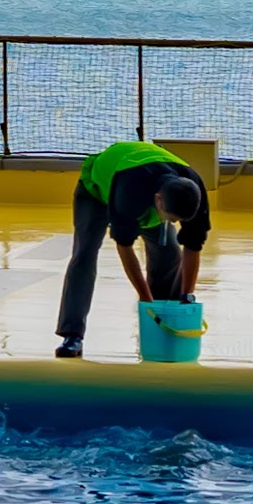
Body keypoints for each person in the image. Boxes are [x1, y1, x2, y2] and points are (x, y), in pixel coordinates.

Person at [54, 139, 210, 358]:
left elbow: (193, 247)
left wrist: (187, 296)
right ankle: (72, 335)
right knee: (85, 254)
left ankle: (163, 323)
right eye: (171, 218)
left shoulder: (193, 188)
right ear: (158, 201)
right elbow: (125, 248)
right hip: (98, 191)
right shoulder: (129, 191)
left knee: (169, 252)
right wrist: (146, 300)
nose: (173, 223)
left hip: (151, 188)